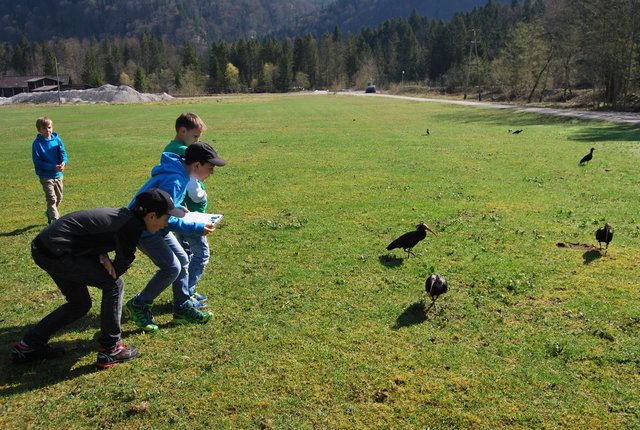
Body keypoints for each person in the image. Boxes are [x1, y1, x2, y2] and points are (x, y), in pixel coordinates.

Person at [10, 188, 183, 369]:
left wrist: (100, 254)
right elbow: (119, 266)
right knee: (114, 284)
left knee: (80, 304)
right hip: (56, 251)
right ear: (152, 216)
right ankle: (111, 349)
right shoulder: (130, 228)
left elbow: (91, 232)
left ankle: (28, 346)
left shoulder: (125, 218)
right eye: (166, 218)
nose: (166, 224)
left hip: (46, 247)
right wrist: (103, 258)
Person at [124, 142, 226, 331]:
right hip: (146, 229)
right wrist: (197, 227)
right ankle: (139, 304)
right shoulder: (176, 180)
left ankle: (182, 308)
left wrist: (177, 207)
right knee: (172, 268)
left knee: (183, 260)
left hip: (157, 226)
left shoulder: (179, 173)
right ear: (197, 165)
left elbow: (165, 206)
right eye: (210, 168)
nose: (211, 173)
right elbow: (164, 218)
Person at [164, 113, 211, 308]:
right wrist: (201, 196)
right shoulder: (185, 152)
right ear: (183, 131)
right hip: (188, 214)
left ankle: (184, 293)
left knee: (186, 254)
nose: (197, 141)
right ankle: (186, 295)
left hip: (180, 212)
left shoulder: (170, 148)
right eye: (195, 137)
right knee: (201, 253)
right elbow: (192, 182)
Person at [32, 116, 68, 224]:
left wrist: (63, 162)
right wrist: (52, 167)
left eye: (49, 127)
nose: (47, 130)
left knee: (59, 197)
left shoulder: (57, 139)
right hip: (45, 176)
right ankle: (55, 222)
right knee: (51, 199)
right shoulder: (37, 144)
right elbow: (37, 162)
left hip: (58, 175)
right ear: (39, 130)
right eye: (44, 128)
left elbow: (63, 153)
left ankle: (50, 212)